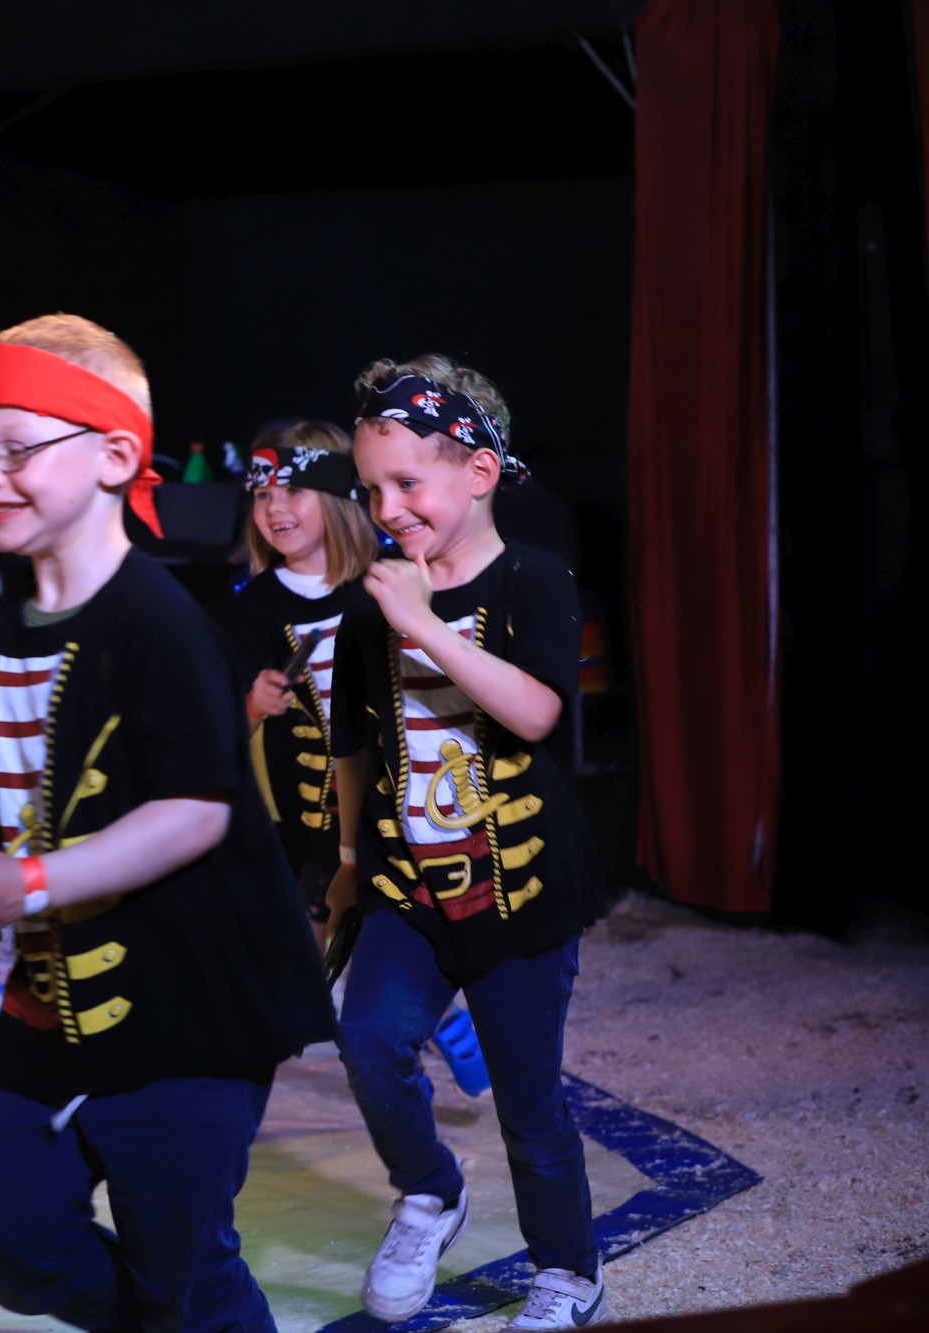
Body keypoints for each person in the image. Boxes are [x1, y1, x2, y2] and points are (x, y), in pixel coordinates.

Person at [0, 314, 333, 1333]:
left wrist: (28, 881)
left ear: (112, 456)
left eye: (17, 448)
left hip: (188, 1012)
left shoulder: (159, 623)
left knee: (181, 1274)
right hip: (48, 1012)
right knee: (3, 1235)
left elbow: (194, 811)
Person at [327, 355, 610, 1329]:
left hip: (518, 894)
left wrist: (425, 625)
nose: (386, 508)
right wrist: (347, 868)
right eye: (372, 489)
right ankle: (428, 1191)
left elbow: (536, 712)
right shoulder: (370, 602)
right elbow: (352, 744)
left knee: (529, 1109)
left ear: (479, 472)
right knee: (368, 1040)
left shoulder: (534, 578)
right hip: (406, 890)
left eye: (407, 482)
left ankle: (566, 1268)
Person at [225, 419, 376, 952]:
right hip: (306, 818)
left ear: (337, 496)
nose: (274, 508)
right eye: (263, 494)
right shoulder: (255, 606)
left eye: (292, 491)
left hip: (388, 805)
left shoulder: (383, 584)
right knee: (308, 937)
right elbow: (221, 731)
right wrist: (254, 702)